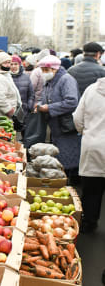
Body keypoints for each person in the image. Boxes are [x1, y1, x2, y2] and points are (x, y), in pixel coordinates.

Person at [35, 55, 81, 183]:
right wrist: (39, 104)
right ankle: (63, 180)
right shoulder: (50, 81)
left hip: (65, 126)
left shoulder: (66, 80)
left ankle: (69, 182)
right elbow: (47, 97)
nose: (44, 73)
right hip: (56, 127)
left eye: (46, 70)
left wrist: (49, 108)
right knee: (60, 154)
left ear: (55, 69)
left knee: (67, 155)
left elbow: (72, 101)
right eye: (42, 70)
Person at [73, 77, 105, 233]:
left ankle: (89, 222)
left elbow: (77, 118)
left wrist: (85, 133)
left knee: (92, 188)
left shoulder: (92, 89)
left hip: (93, 145)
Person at [10, 55, 35, 131]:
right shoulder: (6, 77)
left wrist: (29, 106)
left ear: (19, 65)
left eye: (16, 64)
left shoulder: (26, 77)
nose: (13, 66)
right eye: (11, 64)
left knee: (25, 133)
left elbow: (31, 94)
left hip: (24, 111)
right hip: (10, 111)